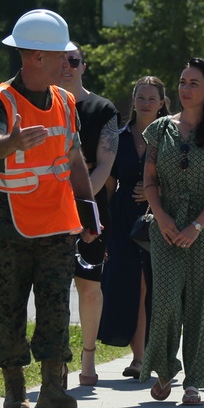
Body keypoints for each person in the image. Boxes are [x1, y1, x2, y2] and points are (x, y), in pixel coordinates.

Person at [0, 9, 99, 408]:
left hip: (56, 225)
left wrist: (89, 212)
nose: (68, 62)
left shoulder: (64, 100)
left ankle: (52, 390)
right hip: (6, 224)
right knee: (9, 305)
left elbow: (74, 156)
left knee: (55, 305)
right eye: (61, 56)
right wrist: (10, 141)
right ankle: (14, 392)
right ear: (36, 57)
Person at [141, 58, 204, 406]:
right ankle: (165, 369)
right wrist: (162, 216)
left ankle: (194, 380)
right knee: (165, 301)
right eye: (182, 81)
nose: (185, 88)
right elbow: (149, 180)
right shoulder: (159, 130)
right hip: (165, 227)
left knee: (202, 303)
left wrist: (197, 225)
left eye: (194, 83)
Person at [98, 76, 169, 379]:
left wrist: (156, 192)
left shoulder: (170, 138)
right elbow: (109, 184)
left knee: (154, 288)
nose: (145, 103)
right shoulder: (119, 137)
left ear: (162, 103)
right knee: (130, 287)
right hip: (123, 220)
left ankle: (153, 355)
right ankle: (139, 357)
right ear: (133, 99)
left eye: (152, 98)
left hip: (159, 220)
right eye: (141, 97)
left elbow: (181, 181)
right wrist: (102, 229)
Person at [60, 44, 119, 387]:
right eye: (61, 60)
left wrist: (79, 207)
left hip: (89, 211)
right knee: (52, 289)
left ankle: (88, 358)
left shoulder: (102, 109)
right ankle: (57, 360)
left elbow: (104, 166)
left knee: (89, 288)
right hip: (47, 212)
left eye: (73, 60)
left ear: (84, 65)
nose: (66, 66)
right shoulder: (45, 105)